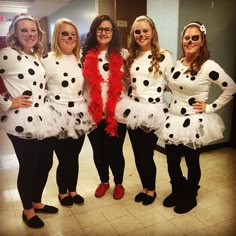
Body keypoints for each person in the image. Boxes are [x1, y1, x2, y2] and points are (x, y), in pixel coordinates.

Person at [160, 21, 236, 214]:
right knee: (171, 161)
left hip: (193, 121)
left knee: (192, 161)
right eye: (187, 37)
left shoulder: (208, 65)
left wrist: (210, 108)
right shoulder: (178, 63)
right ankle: (178, 189)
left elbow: (231, 87)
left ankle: (190, 195)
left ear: (202, 41)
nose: (190, 41)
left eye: (195, 38)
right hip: (173, 119)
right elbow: (175, 87)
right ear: (182, 40)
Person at [0, 13, 61, 228]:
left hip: (43, 116)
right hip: (21, 120)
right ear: (15, 33)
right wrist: (8, 103)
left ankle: (36, 201)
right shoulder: (6, 54)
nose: (29, 34)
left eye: (33, 30)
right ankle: (28, 210)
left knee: (45, 163)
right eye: (24, 30)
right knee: (29, 166)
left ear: (39, 32)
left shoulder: (35, 55)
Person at [115, 15, 174, 205]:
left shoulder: (164, 55)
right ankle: (144, 187)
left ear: (153, 32)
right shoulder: (132, 56)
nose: (141, 35)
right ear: (133, 34)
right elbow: (128, 82)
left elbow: (173, 83)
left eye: (145, 31)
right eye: (137, 32)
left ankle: (152, 190)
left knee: (147, 154)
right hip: (133, 109)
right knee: (138, 155)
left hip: (153, 110)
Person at [42, 18, 94, 207]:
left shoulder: (80, 59)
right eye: (65, 33)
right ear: (57, 36)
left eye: (73, 34)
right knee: (65, 158)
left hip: (79, 114)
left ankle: (73, 189)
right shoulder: (47, 60)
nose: (70, 38)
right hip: (58, 115)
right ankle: (62, 192)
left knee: (74, 156)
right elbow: (39, 86)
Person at [81, 15, 128, 200]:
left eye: (108, 29)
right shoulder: (84, 55)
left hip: (116, 113)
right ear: (94, 32)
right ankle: (104, 181)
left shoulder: (123, 54)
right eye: (100, 29)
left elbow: (133, 79)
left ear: (113, 32)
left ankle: (119, 183)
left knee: (115, 151)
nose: (104, 32)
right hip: (93, 113)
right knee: (98, 151)